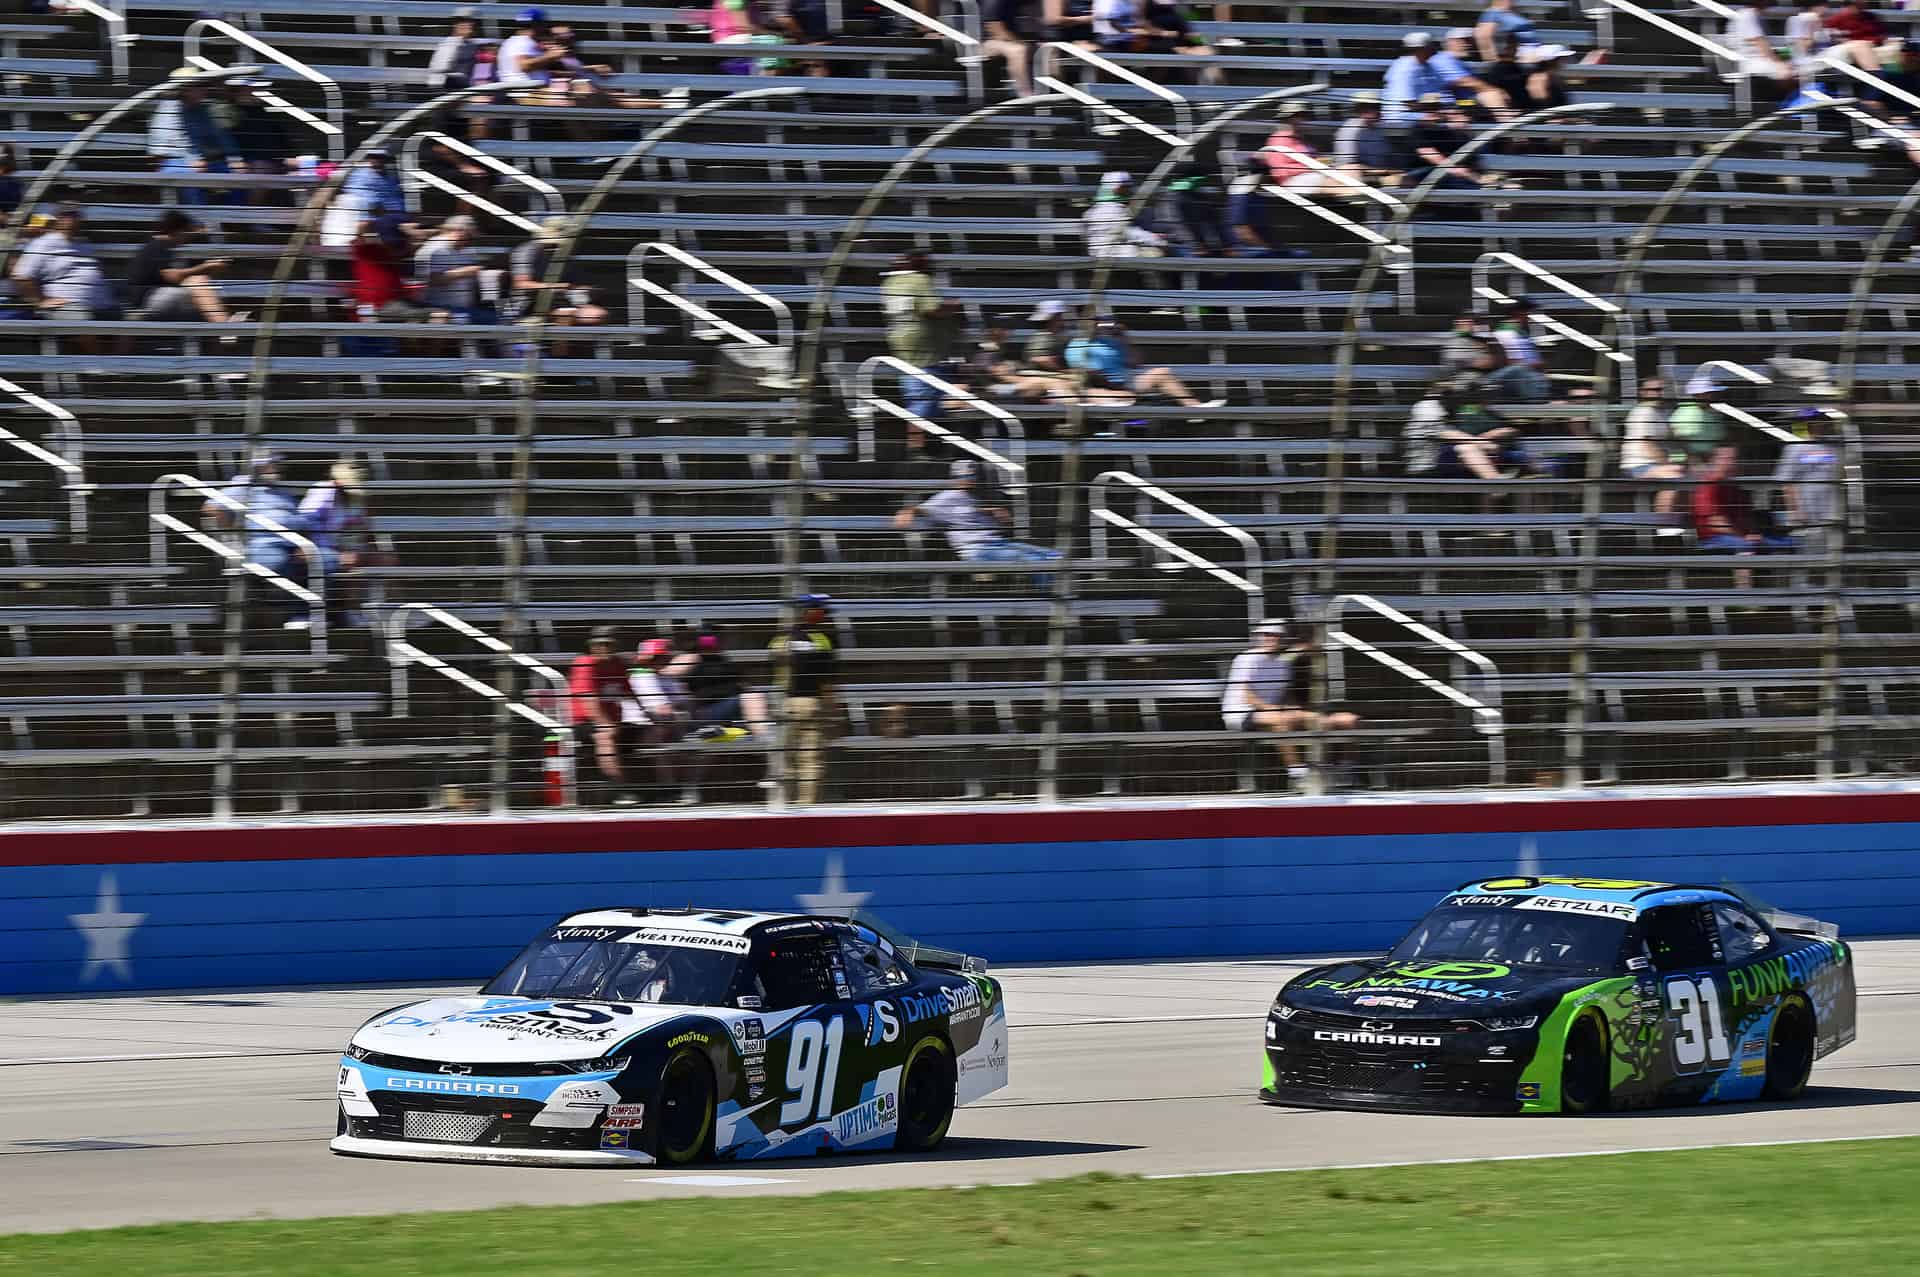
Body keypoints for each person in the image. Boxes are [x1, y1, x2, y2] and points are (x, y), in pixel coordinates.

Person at [1221, 620, 1360, 790]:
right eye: (1266, 634)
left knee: (1346, 720)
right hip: (1240, 714)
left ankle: (1343, 771)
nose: (1271, 638)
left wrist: (1295, 711)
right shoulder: (1248, 658)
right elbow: (1246, 694)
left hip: (1272, 713)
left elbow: (1285, 694)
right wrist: (1276, 710)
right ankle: (1298, 775)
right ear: (1259, 637)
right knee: (1282, 721)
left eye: (1276, 635)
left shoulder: (1283, 662)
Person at [895, 460, 1063, 584]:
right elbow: (923, 508)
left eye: (972, 476)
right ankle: (1049, 603)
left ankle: (1056, 596)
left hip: (996, 544)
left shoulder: (968, 497)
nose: (970, 479)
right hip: (977, 549)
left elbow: (964, 512)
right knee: (1037, 562)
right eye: (966, 476)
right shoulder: (948, 496)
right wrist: (907, 511)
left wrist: (991, 510)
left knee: (1054, 555)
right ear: (955, 477)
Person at [207, 452, 315, 627]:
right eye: (271, 464)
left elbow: (301, 521)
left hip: (292, 543)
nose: (276, 468)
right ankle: (297, 614)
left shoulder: (282, 492)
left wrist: (303, 543)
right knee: (282, 561)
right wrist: (234, 532)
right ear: (257, 467)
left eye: (278, 464)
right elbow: (212, 507)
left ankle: (318, 615)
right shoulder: (243, 485)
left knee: (325, 559)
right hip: (259, 546)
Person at [768, 594, 840, 806]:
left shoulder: (780, 640)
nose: (826, 617)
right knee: (809, 758)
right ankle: (805, 805)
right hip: (810, 703)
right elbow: (828, 680)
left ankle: (785, 805)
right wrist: (832, 709)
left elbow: (773, 668)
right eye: (823, 612)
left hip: (784, 703)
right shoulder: (823, 640)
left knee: (785, 756)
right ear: (811, 611)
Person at [1693, 446, 1796, 587]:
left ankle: (1784, 593)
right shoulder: (1709, 486)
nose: (1733, 462)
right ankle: (1745, 597)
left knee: (1789, 542)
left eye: (1735, 459)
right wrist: (1744, 536)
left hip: (1739, 536)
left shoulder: (1735, 488)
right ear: (1714, 461)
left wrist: (1754, 533)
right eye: (1728, 459)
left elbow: (1748, 517)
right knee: (1746, 545)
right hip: (1714, 538)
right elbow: (1715, 522)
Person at [1066, 317, 1222, 407]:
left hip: (1127, 382)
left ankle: (1195, 408)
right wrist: (1119, 387)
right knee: (1121, 396)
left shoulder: (1111, 342)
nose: (1095, 326)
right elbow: (1091, 375)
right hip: (1102, 386)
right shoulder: (1077, 345)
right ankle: (1117, 400)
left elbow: (1136, 363)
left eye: (1096, 322)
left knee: (1162, 373)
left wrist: (1124, 338)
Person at [11, 204, 119, 327]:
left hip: (101, 303)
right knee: (83, 324)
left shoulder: (84, 244)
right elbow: (21, 276)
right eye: (66, 214)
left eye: (74, 215)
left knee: (124, 325)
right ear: (57, 218)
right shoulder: (44, 243)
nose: (71, 218)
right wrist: (41, 301)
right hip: (67, 305)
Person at [125, 210, 240, 325]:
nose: (187, 237)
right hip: (147, 301)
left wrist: (207, 268)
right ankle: (224, 326)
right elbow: (172, 276)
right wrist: (206, 267)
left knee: (210, 297)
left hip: (157, 297)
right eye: (186, 232)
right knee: (198, 282)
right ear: (178, 231)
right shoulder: (157, 246)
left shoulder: (162, 247)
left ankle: (221, 330)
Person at [568, 626, 641, 805]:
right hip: (584, 722)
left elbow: (629, 693)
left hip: (615, 722)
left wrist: (651, 716)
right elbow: (587, 699)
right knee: (604, 736)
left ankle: (666, 790)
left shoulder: (617, 664)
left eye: (609, 644)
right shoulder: (584, 664)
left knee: (654, 733)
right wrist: (605, 723)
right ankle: (619, 790)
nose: (604, 648)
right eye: (599, 644)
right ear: (591, 647)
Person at [1403, 377, 1529, 479]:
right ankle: (1496, 484)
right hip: (1425, 465)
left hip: (1442, 461)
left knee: (1495, 456)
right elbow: (1447, 434)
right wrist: (1483, 442)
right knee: (1467, 448)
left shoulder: (1451, 410)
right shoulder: (1427, 407)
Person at [882, 252, 959, 417]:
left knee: (917, 401)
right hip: (925, 351)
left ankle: (921, 439)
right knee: (922, 409)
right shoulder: (919, 280)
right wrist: (952, 306)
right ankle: (918, 441)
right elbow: (931, 308)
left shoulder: (889, 283)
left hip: (901, 341)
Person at [147, 73, 239, 206]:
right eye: (199, 86)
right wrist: (193, 159)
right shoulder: (170, 109)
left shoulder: (200, 109)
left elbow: (218, 133)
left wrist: (234, 158)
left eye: (204, 86)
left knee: (234, 173)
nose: (204, 90)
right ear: (185, 89)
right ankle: (200, 222)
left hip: (199, 159)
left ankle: (234, 219)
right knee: (192, 177)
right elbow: (173, 140)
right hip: (173, 160)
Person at [298, 459, 370, 623]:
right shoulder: (323, 492)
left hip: (345, 546)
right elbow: (305, 523)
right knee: (350, 561)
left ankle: (393, 611)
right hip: (320, 547)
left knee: (383, 558)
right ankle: (349, 612)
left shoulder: (356, 499)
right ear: (338, 482)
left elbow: (362, 527)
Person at [507, 216, 606, 329]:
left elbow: (576, 283)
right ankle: (561, 345)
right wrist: (555, 287)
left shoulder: (566, 252)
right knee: (565, 316)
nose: (554, 247)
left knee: (597, 315)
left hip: (563, 301)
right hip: (528, 304)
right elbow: (521, 284)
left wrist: (587, 290)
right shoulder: (525, 252)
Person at [1772, 410, 1842, 556]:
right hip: (1805, 517)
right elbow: (1786, 482)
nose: (1819, 425)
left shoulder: (1833, 447)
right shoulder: (1795, 447)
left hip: (1829, 515)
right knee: (1805, 559)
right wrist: (1796, 511)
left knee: (1830, 557)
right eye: (1814, 422)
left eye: (1821, 421)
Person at [1620, 374, 1687, 527]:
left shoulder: (1662, 413)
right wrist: (1669, 463)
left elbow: (1674, 439)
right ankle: (1664, 528)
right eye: (1655, 390)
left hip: (1654, 464)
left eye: (1662, 390)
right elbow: (1647, 446)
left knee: (1693, 475)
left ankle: (1682, 524)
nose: (1659, 393)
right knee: (1674, 475)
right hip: (1637, 465)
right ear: (1643, 392)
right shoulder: (1643, 413)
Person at [416, 214, 494, 324]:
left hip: (466, 308)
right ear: (459, 232)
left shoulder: (465, 250)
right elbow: (432, 280)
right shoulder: (435, 249)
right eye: (470, 237)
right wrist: (465, 272)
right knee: (491, 321)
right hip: (441, 308)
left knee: (497, 318)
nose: (471, 241)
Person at [322, 148, 407, 249]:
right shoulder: (361, 175)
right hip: (370, 212)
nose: (377, 160)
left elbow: (395, 195)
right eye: (373, 157)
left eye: (380, 157)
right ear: (368, 158)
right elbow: (356, 193)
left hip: (392, 213)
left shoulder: (391, 176)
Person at [1082, 170, 1168, 258]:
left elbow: (1085, 236)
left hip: (1095, 253)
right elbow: (1131, 233)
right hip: (1114, 254)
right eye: (1126, 187)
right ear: (1117, 189)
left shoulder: (1091, 211)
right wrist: (1157, 239)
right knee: (1157, 252)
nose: (1130, 191)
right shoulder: (1117, 210)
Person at [1406, 95, 1485, 189]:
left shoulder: (1446, 129)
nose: (1431, 111)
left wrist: (1460, 128)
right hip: (1420, 172)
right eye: (1426, 108)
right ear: (1421, 110)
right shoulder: (1418, 128)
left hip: (1443, 172)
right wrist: (1454, 169)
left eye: (1436, 107)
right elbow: (1428, 153)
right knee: (1458, 181)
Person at [1431, 26, 1510, 111]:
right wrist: (1495, 90)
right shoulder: (1443, 59)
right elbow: (1466, 82)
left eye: (1470, 41)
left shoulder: (1459, 63)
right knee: (1491, 94)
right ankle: (1508, 121)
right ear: (1450, 42)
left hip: (1467, 103)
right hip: (1453, 105)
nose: (1468, 44)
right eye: (1464, 40)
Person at [1383, 32, 1451, 124]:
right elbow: (1408, 103)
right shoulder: (1405, 67)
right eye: (1429, 48)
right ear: (1420, 50)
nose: (1433, 52)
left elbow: (1440, 92)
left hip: (1417, 115)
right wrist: (1440, 113)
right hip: (1400, 119)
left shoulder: (1427, 66)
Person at [1332, 94, 1400, 183]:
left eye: (1378, 108)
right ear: (1361, 110)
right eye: (1375, 108)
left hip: (1380, 174)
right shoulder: (1350, 130)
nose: (1379, 112)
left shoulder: (1378, 130)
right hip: (1356, 177)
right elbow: (1348, 165)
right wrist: (1383, 171)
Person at [981, 0, 1037, 96]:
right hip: (984, 43)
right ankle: (1026, 95)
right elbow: (996, 31)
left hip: (1010, 40)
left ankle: (1052, 93)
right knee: (1017, 51)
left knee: (1045, 48)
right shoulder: (994, 2)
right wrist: (1022, 43)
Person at [1259, 117, 1330, 192]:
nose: (1302, 120)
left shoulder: (1298, 138)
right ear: (1287, 120)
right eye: (1297, 116)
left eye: (1303, 116)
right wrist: (1311, 166)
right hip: (1294, 181)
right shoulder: (1279, 138)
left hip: (1310, 176)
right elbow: (1279, 171)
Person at [1669, 375, 1729, 463]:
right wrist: (1695, 459)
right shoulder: (1688, 412)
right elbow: (1675, 438)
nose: (1715, 396)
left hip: (1708, 462)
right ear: (1699, 395)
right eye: (1711, 393)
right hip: (1687, 465)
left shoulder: (1711, 412)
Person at [497, 7, 565, 84]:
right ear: (539, 25)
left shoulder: (516, 42)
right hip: (527, 92)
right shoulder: (522, 41)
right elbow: (524, 66)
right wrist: (550, 56)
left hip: (532, 90)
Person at [1823, 0, 1886, 72]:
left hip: (1873, 43)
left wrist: (1882, 40)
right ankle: (1876, 76)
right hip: (1854, 45)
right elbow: (1828, 36)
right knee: (1861, 45)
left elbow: (1881, 34)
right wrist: (1845, 41)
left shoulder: (1871, 16)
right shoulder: (1837, 18)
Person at [428, 11, 483, 89]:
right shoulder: (448, 44)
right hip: (450, 87)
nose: (467, 25)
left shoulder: (471, 44)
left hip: (467, 85)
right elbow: (439, 70)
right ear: (455, 26)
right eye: (462, 22)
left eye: (469, 22)